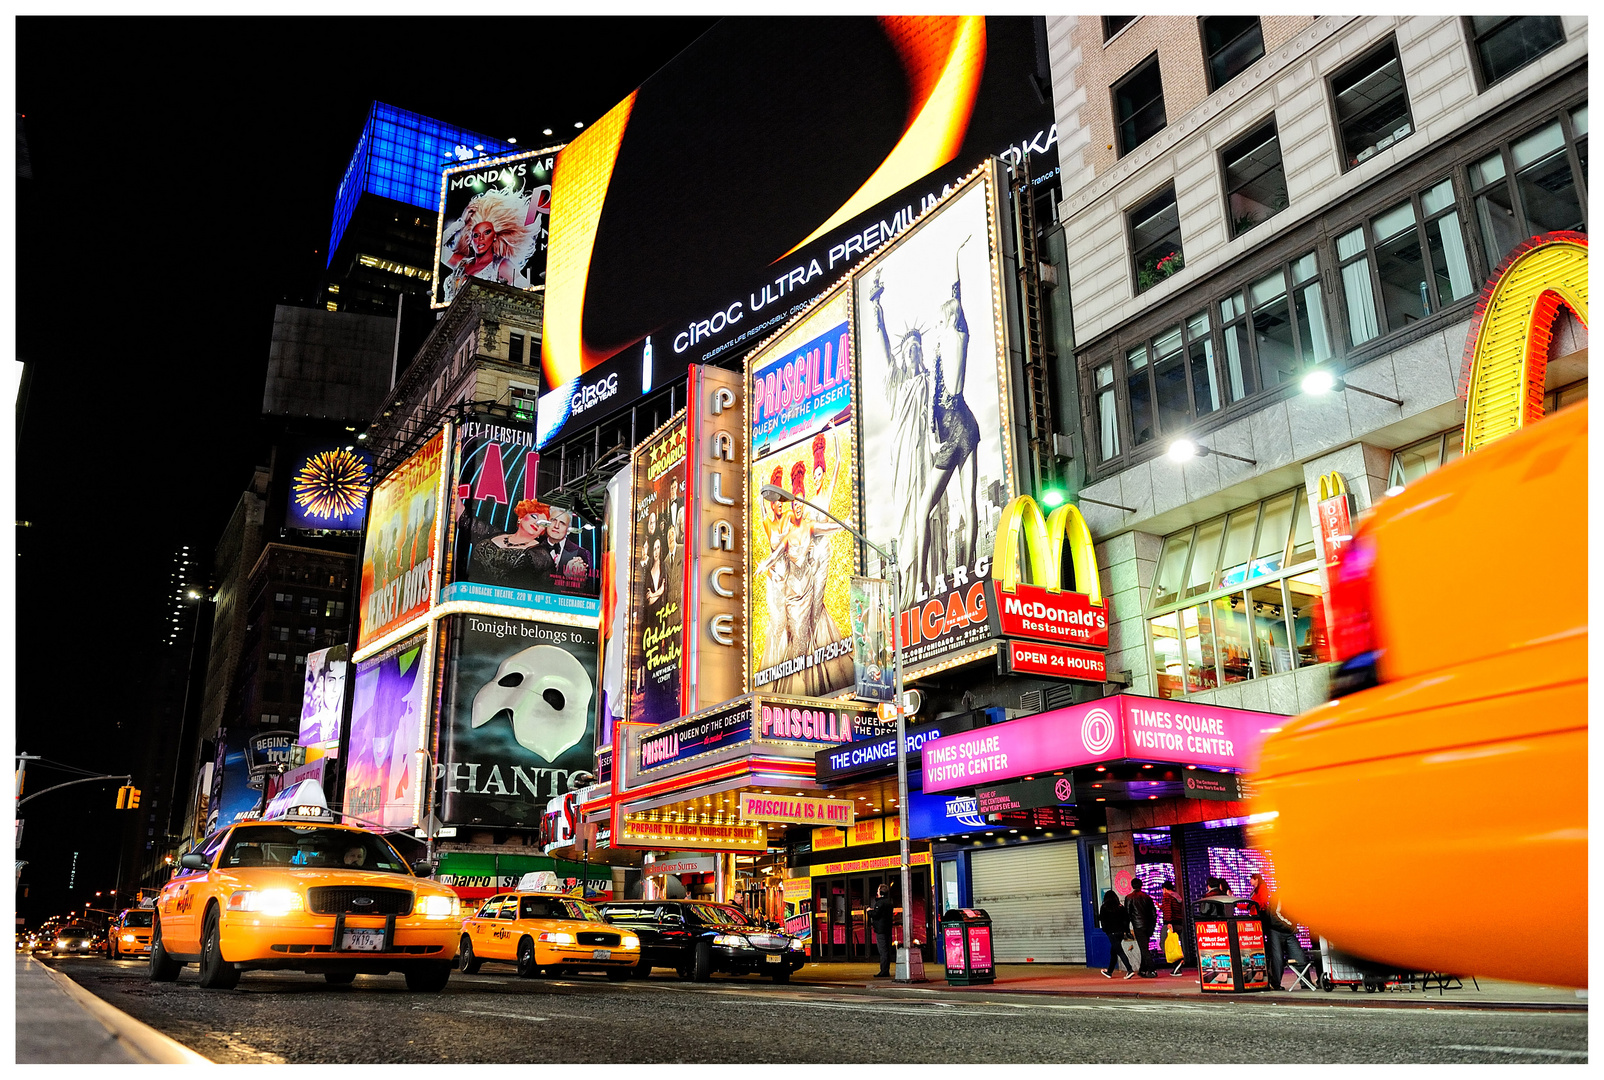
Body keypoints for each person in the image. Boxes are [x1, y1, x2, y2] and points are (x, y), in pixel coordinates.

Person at [440, 187, 543, 302]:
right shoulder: (462, 263)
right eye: (476, 235)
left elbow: (528, 292)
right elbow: (438, 248)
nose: (481, 238)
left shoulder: (501, 265)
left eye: (487, 232)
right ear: (470, 239)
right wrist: (461, 222)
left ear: (494, 237)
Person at [1262, 889, 1307, 991]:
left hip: (1288, 930)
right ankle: (1275, 983)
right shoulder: (1280, 897)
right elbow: (1275, 915)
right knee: (1277, 958)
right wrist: (1291, 926)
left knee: (1299, 955)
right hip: (1276, 930)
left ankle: (1305, 982)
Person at [1124, 877, 1159, 978]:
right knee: (1144, 947)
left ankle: (1152, 969)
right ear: (1141, 885)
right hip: (1147, 925)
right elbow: (1153, 913)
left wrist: (1127, 928)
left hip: (1138, 926)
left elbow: (1127, 914)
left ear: (1132, 885)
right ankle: (1142, 969)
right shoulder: (1147, 897)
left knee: (1144, 948)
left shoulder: (1129, 898)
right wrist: (1152, 926)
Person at [1097, 890, 1134, 979]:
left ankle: (1129, 970)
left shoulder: (1104, 907)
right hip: (1120, 932)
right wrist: (1126, 930)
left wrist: (1105, 930)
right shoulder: (1120, 907)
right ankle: (1109, 972)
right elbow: (1126, 919)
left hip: (1111, 932)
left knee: (1119, 951)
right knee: (1114, 951)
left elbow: (1103, 920)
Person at [1161, 879, 1193, 976]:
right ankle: (1177, 967)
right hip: (1179, 923)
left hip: (1170, 924)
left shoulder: (1167, 896)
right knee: (1175, 945)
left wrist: (1169, 922)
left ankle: (1176, 963)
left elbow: (1168, 910)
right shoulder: (1177, 897)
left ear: (1165, 889)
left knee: (1164, 944)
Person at [870, 883, 895, 978]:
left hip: (881, 930)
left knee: (883, 951)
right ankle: (885, 970)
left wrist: (869, 911)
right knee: (886, 950)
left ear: (880, 892)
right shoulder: (889, 902)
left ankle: (883, 971)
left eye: (878, 890)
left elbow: (876, 914)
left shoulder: (880, 903)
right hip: (887, 928)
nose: (877, 892)